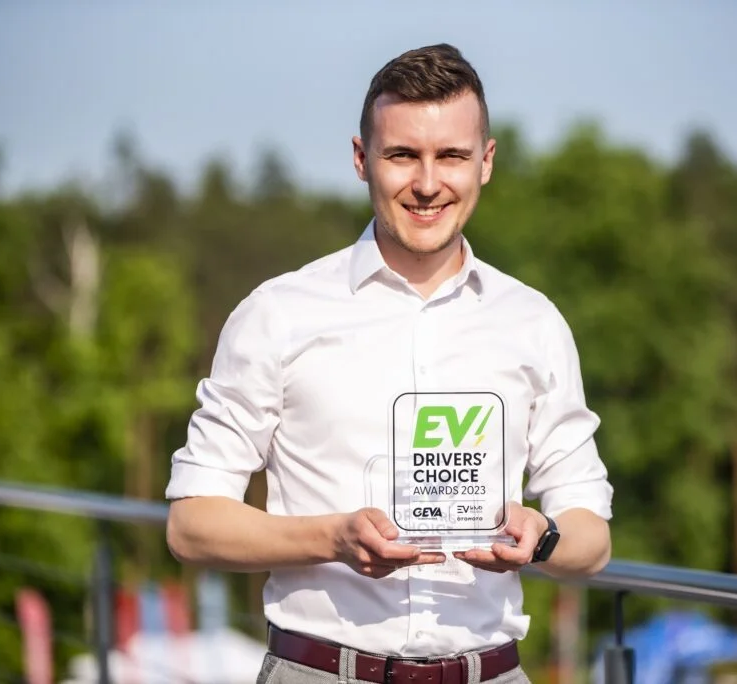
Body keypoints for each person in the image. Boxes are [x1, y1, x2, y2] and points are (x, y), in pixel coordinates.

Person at [165, 43, 614, 684]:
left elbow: (592, 539)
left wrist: (542, 538)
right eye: (402, 155)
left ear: (486, 162)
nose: (427, 184)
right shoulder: (277, 314)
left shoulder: (533, 322)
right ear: (361, 159)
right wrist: (333, 539)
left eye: (451, 156)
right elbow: (191, 525)